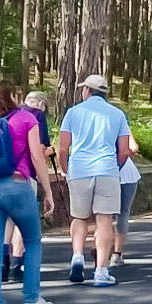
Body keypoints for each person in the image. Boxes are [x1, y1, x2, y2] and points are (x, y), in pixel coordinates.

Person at [0, 81, 56, 304]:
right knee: (31, 241)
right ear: (14, 97)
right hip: (19, 185)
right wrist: (47, 190)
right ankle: (31, 299)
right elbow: (36, 157)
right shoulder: (25, 120)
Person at [59, 74, 132, 287]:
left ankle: (77, 257)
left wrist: (66, 169)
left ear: (88, 91)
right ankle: (101, 270)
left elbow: (64, 147)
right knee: (105, 220)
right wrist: (114, 167)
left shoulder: (73, 113)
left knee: (79, 217)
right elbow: (125, 150)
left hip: (80, 169)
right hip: (107, 169)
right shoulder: (117, 114)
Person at [7, 91, 54, 282]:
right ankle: (16, 263)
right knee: (23, 221)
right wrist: (50, 151)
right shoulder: (36, 116)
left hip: (1, 175)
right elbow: (39, 152)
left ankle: (3, 262)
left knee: (8, 219)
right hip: (26, 175)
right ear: (41, 104)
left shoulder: (8, 114)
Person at [114, 135, 142, 267]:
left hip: (101, 171)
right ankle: (116, 253)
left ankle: (102, 249)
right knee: (123, 213)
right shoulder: (120, 119)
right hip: (126, 172)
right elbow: (133, 147)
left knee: (102, 214)